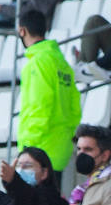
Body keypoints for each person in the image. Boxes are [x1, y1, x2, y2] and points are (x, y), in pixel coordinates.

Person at [15, 10, 81, 172]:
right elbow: (75, 107)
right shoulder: (61, 62)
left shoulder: (37, 63)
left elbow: (40, 105)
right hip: (60, 150)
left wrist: (28, 147)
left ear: (22, 31)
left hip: (39, 152)